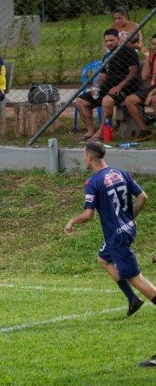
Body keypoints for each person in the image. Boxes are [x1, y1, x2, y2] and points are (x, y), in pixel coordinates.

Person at [64, 141, 156, 356]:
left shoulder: (94, 182)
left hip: (116, 236)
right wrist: (129, 218)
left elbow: (88, 214)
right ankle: (132, 299)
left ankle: (137, 296)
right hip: (128, 228)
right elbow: (143, 197)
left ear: (89, 157)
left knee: (135, 277)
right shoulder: (121, 173)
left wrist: (71, 221)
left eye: (84, 155)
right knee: (103, 259)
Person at [74, 29, 145, 142]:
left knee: (107, 101)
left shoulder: (128, 51)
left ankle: (101, 132)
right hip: (108, 88)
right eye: (107, 41)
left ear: (118, 39)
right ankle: (90, 130)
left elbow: (133, 73)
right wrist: (96, 86)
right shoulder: (107, 56)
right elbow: (103, 77)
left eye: (112, 40)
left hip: (125, 88)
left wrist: (119, 86)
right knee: (80, 101)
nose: (109, 43)